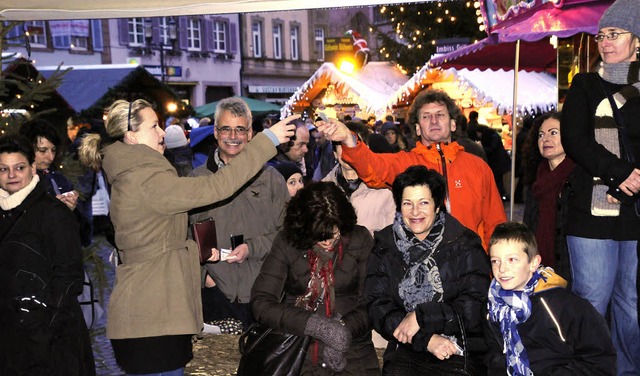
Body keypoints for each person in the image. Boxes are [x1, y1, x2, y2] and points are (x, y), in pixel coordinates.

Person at [78, 99, 296, 375]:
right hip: (153, 318)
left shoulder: (141, 174)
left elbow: (163, 241)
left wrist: (201, 254)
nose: (162, 132)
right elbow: (219, 186)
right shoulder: (146, 180)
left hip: (158, 314)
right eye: (154, 126)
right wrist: (268, 140)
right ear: (132, 136)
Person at [317, 89, 506, 249]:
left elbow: (495, 222)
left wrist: (492, 268)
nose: (433, 121)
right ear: (417, 128)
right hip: (423, 269)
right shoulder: (406, 164)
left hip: (470, 268)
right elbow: (373, 166)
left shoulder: (477, 167)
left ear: (453, 124)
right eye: (426, 116)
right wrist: (349, 140)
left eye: (440, 115)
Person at [560, 0, 640, 373]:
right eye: (601, 35)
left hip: (635, 213)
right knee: (592, 300)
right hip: (592, 212)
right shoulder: (585, 84)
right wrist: (618, 174)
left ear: (637, 40)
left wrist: (633, 179)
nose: (605, 42)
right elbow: (575, 139)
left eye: (615, 34)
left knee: (633, 304)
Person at [363, 165, 490, 374]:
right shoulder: (386, 244)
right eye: (407, 203)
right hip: (406, 345)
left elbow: (475, 306)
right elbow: (377, 305)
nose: (415, 212)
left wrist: (422, 316)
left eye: (423, 203)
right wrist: (426, 339)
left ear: (437, 205)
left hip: (458, 346)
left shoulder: (464, 243)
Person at [251, 182, 380, 374]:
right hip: (298, 349)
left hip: (353, 351)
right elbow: (261, 303)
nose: (328, 242)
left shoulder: (359, 239)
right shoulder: (288, 242)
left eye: (334, 234)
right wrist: (316, 325)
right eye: (320, 236)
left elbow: (373, 302)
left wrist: (343, 330)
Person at [189, 97, 290, 330]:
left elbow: (288, 234)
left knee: (261, 365)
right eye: (226, 129)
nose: (233, 136)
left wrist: (252, 248)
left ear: (251, 133)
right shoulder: (197, 180)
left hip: (264, 291)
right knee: (218, 367)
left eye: (240, 129)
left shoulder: (271, 179)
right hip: (215, 294)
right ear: (215, 132)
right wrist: (205, 276)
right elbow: (185, 236)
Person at [0, 135, 95, 375]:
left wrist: (44, 328)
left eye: (19, 167)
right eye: (3, 169)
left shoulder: (52, 213)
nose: (12, 175)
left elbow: (69, 276)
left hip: (51, 341)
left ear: (32, 168)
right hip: (10, 338)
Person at [485, 221, 616, 375]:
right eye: (495, 261)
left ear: (533, 263)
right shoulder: (494, 307)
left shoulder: (563, 305)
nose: (502, 269)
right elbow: (494, 358)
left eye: (512, 260)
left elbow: (599, 358)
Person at [521, 111, 575, 282]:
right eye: (541, 135)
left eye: (553, 133)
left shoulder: (580, 176)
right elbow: (528, 228)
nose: (545, 139)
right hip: (541, 272)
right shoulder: (535, 179)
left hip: (574, 269)